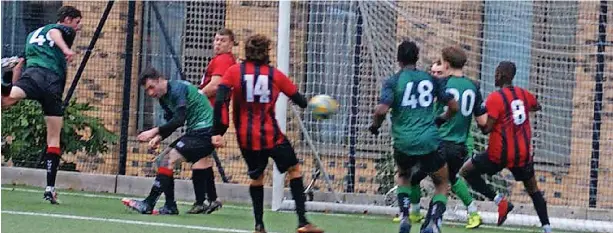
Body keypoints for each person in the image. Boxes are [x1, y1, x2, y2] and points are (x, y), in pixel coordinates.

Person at [212, 34, 323, 233]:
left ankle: (259, 225)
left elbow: (221, 99)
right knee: (294, 170)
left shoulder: (234, 72)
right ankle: (302, 222)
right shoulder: (275, 75)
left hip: (246, 139)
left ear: (246, 51)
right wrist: (315, 104)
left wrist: (218, 130)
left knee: (257, 178)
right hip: (272, 136)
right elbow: (299, 99)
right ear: (266, 53)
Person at [368, 40, 459, 233]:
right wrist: (441, 119)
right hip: (429, 140)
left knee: (403, 175)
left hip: (404, 141)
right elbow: (453, 107)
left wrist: (375, 126)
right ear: (417, 58)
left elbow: (381, 110)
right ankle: (434, 223)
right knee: (442, 183)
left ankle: (404, 217)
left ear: (398, 59)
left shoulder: (393, 81)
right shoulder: (431, 79)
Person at [1, 6, 82, 204]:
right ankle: (49, 188)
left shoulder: (30, 35)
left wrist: (12, 87)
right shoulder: (62, 29)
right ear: (67, 19)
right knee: (53, 138)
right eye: (77, 22)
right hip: (52, 82)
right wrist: (65, 49)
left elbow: (20, 63)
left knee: (5, 101)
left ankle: (4, 83)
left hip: (33, 78)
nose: (78, 27)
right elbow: (54, 32)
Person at [459, 61, 552, 233]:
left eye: (496, 73)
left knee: (466, 171)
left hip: (498, 154)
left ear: (501, 75)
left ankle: (500, 201)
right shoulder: (524, 94)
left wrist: (478, 113)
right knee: (533, 189)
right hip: (522, 154)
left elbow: (486, 129)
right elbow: (537, 105)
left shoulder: (495, 97)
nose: (494, 76)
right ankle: (547, 227)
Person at [404, 48, 486, 229]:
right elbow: (483, 122)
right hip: (459, 148)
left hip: (438, 144)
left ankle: (430, 220)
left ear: (447, 65)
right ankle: (432, 221)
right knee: (444, 183)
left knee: (429, 181)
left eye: (441, 63)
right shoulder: (474, 86)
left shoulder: (442, 85)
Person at [121, 67, 217, 215]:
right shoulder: (163, 99)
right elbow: (172, 123)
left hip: (206, 132)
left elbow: (179, 119)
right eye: (147, 91)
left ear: (160, 80)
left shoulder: (177, 89)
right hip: (196, 133)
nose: (151, 93)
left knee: (168, 159)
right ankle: (170, 206)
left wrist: (154, 131)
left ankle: (149, 203)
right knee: (162, 161)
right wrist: (159, 138)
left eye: (151, 87)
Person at [186, 28, 237, 215]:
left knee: (198, 156)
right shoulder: (222, 60)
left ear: (231, 44)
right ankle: (212, 199)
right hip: (216, 116)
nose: (218, 43)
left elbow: (216, 86)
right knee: (204, 157)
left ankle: (200, 201)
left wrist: (196, 97)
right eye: (216, 40)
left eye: (223, 40)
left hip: (211, 116)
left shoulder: (223, 59)